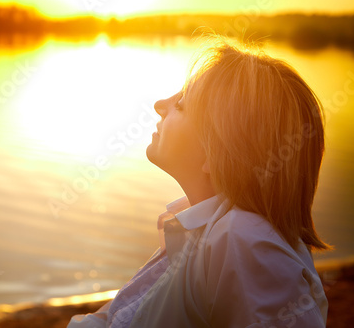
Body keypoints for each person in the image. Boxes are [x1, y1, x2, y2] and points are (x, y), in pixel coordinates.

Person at [67, 37, 330, 328]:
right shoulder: (201, 232)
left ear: (216, 153)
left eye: (180, 104)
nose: (159, 104)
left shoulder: (244, 239)